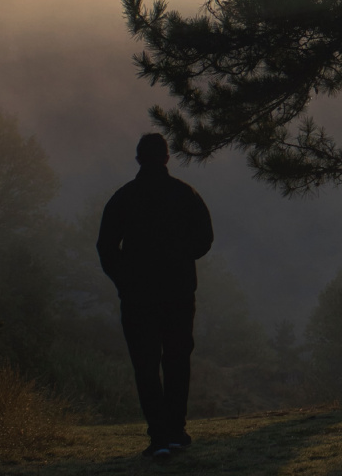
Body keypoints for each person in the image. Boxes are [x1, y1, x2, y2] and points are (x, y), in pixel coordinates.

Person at [97, 133, 214, 459]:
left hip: (138, 298)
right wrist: (180, 260)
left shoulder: (124, 198)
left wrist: (125, 280)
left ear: (138, 159)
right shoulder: (184, 194)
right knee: (177, 361)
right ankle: (176, 431)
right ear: (166, 158)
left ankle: (159, 437)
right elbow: (205, 238)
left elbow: (106, 248)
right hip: (178, 293)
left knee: (146, 366)